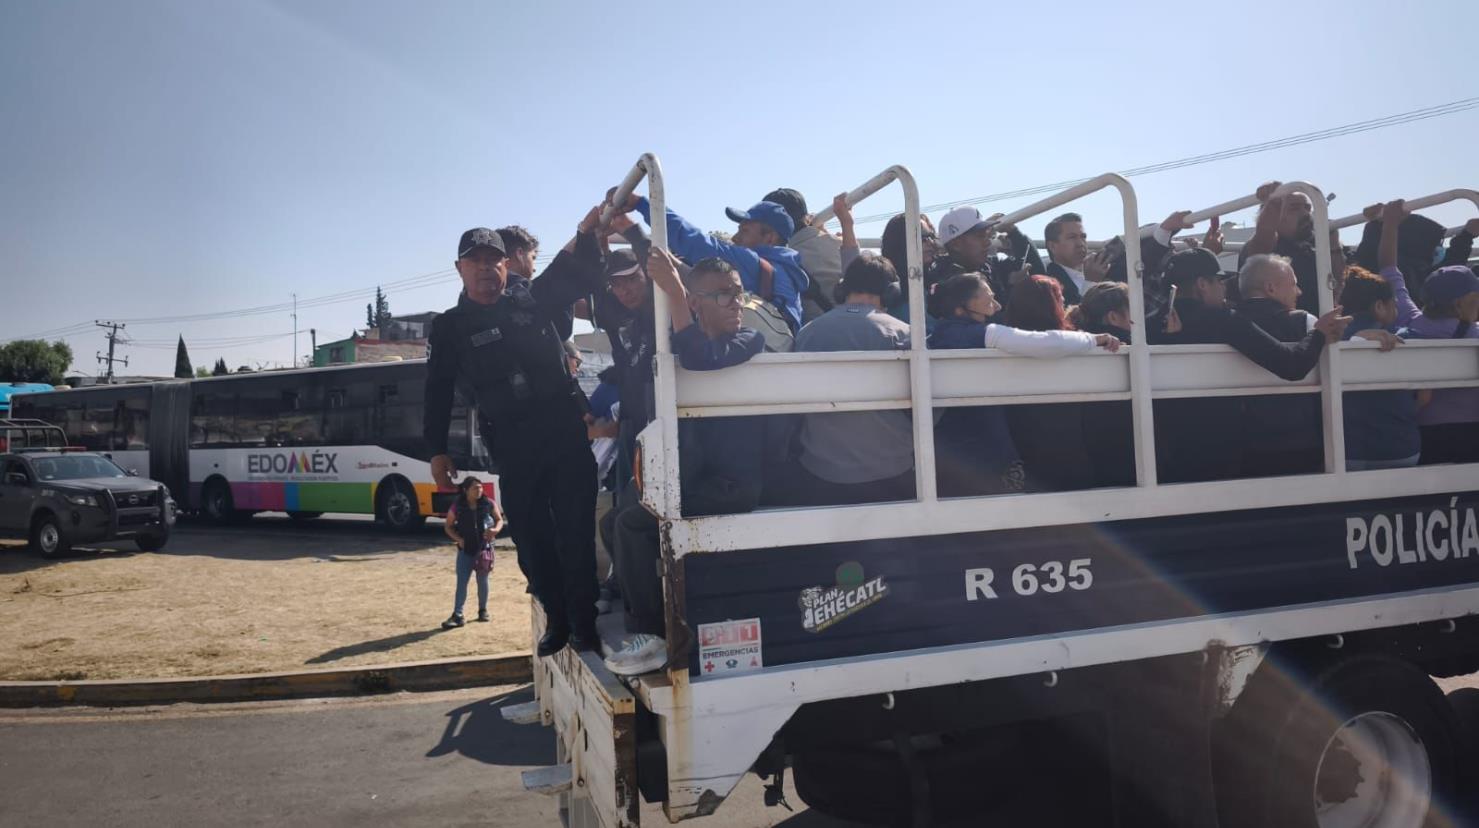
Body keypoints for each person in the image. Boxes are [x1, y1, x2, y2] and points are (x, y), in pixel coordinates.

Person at [424, 213, 605, 657]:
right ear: (460, 269)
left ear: (507, 265)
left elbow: (570, 274)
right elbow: (437, 389)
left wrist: (587, 235)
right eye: (476, 261)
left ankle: (583, 623)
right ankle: (557, 618)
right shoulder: (449, 327)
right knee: (529, 537)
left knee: (576, 532)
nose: (486, 269)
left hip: (563, 431)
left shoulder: (532, 299)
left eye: (494, 260)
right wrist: (436, 451)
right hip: (512, 442)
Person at [604, 250, 766, 676]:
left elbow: (699, 356)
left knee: (631, 521)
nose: (736, 303)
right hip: (693, 474)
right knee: (613, 518)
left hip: (732, 483)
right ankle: (647, 616)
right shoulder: (671, 339)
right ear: (698, 304)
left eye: (738, 293)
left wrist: (675, 292)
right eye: (724, 295)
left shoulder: (750, 339)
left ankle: (653, 635)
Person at [1151, 248, 1349, 482]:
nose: (1224, 288)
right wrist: (1318, 334)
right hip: (1219, 452)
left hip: (1161, 452)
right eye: (1220, 281)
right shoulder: (1222, 319)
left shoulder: (1149, 325)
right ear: (1203, 284)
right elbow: (1291, 365)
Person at [927, 272, 1120, 497]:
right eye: (988, 299)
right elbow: (1044, 343)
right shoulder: (979, 334)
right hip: (981, 443)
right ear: (963, 306)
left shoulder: (935, 334)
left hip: (946, 441)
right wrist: (1094, 339)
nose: (997, 306)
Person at [770, 255, 914, 506]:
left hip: (821, 470)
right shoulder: (904, 334)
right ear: (891, 291)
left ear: (842, 288)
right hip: (893, 469)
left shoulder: (808, 332)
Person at [1373, 200, 1479, 464]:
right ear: (1460, 302)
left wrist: (1389, 225)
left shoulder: (1410, 322)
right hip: (1472, 434)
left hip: (1424, 436)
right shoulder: (1474, 337)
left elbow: (1388, 269)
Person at [613, 191, 809, 333]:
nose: (735, 238)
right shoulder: (787, 271)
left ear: (770, 238)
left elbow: (695, 242)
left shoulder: (752, 263)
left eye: (745, 231)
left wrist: (642, 204)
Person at [1001, 276, 1120, 491]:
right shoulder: (1075, 344)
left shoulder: (1005, 345)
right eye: (1060, 300)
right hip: (1068, 445)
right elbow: (1052, 342)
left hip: (1022, 444)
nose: (1063, 306)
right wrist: (1096, 339)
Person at [1233, 254, 1339, 477]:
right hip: (1300, 443)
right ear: (1270, 288)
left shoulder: (1226, 322)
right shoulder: (1305, 322)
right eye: (1293, 284)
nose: (1299, 292)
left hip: (1245, 445)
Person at [1335, 266, 1415, 470]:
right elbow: (1423, 398)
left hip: (1343, 451)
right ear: (1379, 306)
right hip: (1399, 446)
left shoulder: (1327, 339)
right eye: (1394, 305)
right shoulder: (1404, 338)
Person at [1238, 181, 1323, 315]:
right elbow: (1265, 233)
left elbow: (1336, 289)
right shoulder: (1265, 246)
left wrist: (1334, 244)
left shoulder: (1317, 248)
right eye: (1294, 208)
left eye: (1307, 208)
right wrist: (1274, 199)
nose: (1305, 214)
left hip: (1317, 329)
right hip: (1282, 332)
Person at [765, 188, 843, 324]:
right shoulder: (839, 244)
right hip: (848, 326)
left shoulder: (776, 260)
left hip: (809, 336)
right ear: (805, 216)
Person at [441, 477, 505, 629]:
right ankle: (458, 615)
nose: (479, 490)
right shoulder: (458, 506)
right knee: (462, 582)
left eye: (480, 487)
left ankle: (483, 611)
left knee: (483, 581)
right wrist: (458, 539)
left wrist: (495, 530)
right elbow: (448, 526)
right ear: (466, 490)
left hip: (484, 550)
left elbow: (499, 520)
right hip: (466, 550)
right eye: (475, 488)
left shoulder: (488, 503)